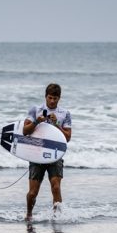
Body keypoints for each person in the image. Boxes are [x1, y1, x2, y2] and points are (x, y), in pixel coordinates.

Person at [23, 83, 72, 221]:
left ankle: (57, 218)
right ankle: (29, 215)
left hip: (55, 154)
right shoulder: (36, 110)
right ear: (45, 97)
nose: (52, 101)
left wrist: (57, 125)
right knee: (33, 193)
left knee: (56, 188)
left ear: (59, 98)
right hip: (37, 154)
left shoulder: (65, 114)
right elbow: (24, 131)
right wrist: (36, 122)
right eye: (50, 98)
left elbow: (67, 138)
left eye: (55, 98)